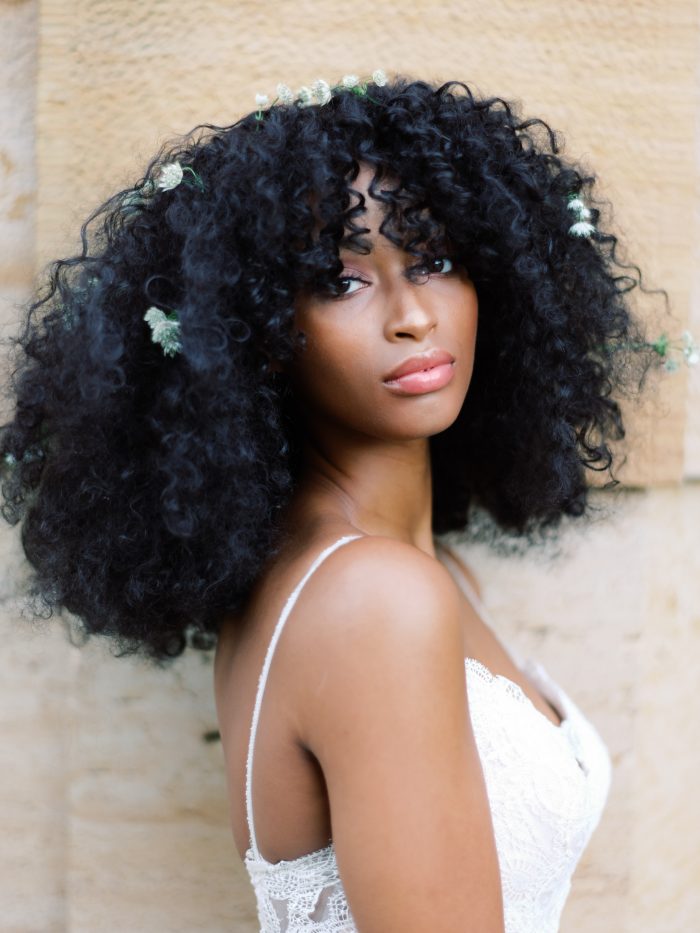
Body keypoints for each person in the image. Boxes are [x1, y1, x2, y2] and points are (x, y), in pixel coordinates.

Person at [0, 72, 674, 931]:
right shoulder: (373, 598)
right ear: (259, 333)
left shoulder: (393, 566)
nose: (412, 316)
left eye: (433, 260)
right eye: (343, 281)